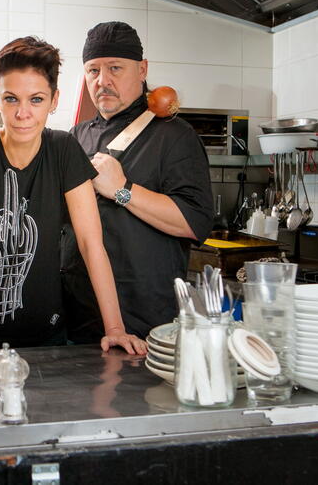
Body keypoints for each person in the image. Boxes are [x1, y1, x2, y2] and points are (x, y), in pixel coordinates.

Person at [0, 36, 146, 354]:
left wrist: (115, 329)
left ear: (54, 100)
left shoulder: (63, 150)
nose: (23, 113)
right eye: (11, 99)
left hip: (46, 338)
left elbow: (91, 243)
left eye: (36, 99)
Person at [61, 21, 214, 342]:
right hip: (77, 313)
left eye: (115, 68)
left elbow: (194, 221)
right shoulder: (76, 136)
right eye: (93, 70)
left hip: (144, 318)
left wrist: (123, 190)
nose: (103, 81)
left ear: (142, 70)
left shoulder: (175, 136)